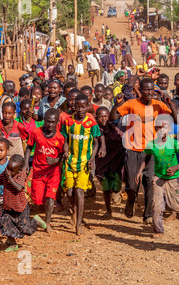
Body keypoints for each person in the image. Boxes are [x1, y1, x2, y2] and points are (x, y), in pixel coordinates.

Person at [109, 78, 177, 223]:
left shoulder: (159, 105)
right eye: (146, 89)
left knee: (150, 183)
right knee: (133, 185)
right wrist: (117, 104)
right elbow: (113, 117)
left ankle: (147, 215)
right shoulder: (132, 104)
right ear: (140, 90)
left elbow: (175, 119)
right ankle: (131, 200)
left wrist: (170, 103)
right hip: (133, 149)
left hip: (152, 151)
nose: (150, 92)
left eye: (152, 89)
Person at [136, 116, 179, 238]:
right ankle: (158, 230)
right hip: (158, 178)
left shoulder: (174, 143)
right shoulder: (152, 144)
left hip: (173, 178)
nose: (161, 130)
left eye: (163, 127)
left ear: (169, 129)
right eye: (158, 127)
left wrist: (176, 167)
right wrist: (140, 171)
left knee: (177, 206)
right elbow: (147, 158)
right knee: (157, 206)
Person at [61, 94, 101, 235]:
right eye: (77, 106)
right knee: (70, 192)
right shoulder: (67, 122)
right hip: (70, 162)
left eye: (83, 106)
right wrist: (65, 151)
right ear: (74, 106)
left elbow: (96, 142)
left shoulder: (91, 122)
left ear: (87, 106)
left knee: (79, 191)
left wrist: (92, 158)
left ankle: (79, 224)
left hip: (84, 162)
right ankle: (74, 210)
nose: (80, 109)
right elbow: (65, 140)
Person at [0, 155, 44, 252]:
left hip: (21, 208)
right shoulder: (6, 173)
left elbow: (19, 188)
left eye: (12, 170)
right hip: (8, 207)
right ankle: (12, 243)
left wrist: (9, 178)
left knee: (25, 228)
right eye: (8, 169)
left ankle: (35, 221)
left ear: (19, 170)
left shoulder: (21, 174)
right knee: (4, 222)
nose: (9, 172)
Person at [24, 109, 65, 232]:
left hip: (53, 172)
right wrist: (26, 164)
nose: (50, 125)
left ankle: (47, 223)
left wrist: (56, 160)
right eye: (48, 121)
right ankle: (38, 217)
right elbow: (29, 148)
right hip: (38, 170)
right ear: (44, 121)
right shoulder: (36, 133)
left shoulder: (60, 137)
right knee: (38, 199)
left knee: (50, 198)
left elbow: (63, 155)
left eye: (53, 122)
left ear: (57, 122)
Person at [95, 107, 122, 219]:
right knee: (105, 187)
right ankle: (108, 210)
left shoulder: (113, 128)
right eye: (101, 116)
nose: (103, 119)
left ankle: (116, 192)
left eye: (106, 116)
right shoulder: (94, 129)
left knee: (115, 188)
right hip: (102, 161)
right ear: (97, 117)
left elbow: (121, 139)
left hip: (116, 161)